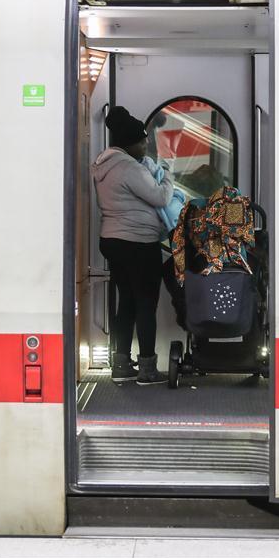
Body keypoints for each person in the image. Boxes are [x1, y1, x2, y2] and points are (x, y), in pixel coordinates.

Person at [92, 106, 173, 385]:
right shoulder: (128, 168)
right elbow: (160, 197)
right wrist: (168, 174)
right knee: (145, 303)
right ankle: (148, 369)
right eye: (142, 141)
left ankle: (122, 364)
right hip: (138, 242)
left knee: (126, 303)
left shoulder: (103, 164)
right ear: (131, 143)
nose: (146, 145)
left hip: (112, 240)